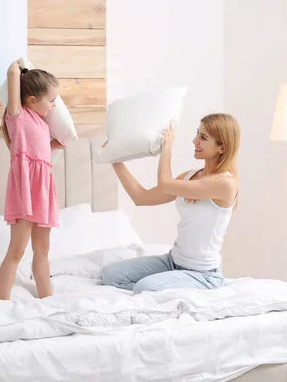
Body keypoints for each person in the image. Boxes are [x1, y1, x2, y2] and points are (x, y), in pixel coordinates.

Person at [101, 113, 240, 294]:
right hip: (172, 261)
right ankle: (161, 286)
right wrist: (115, 160)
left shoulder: (225, 184)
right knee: (110, 274)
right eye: (197, 133)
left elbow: (165, 183)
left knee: (146, 287)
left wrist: (167, 148)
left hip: (203, 274)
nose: (194, 141)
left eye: (203, 138)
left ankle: (156, 289)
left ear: (222, 147)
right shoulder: (191, 177)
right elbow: (141, 197)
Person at [0, 60, 63, 300]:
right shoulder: (18, 116)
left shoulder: (42, 124)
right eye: (51, 100)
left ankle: (47, 299)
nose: (54, 106)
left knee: (42, 250)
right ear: (32, 100)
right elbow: (13, 73)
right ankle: (2, 302)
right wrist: (20, 66)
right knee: (17, 250)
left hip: (43, 190)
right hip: (25, 189)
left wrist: (58, 143)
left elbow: (43, 150)